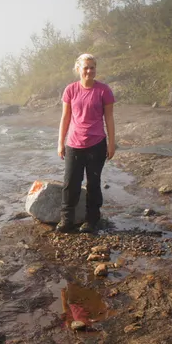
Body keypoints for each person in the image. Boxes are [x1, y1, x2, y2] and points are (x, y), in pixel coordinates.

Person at [57, 53, 116, 233]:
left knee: (93, 183)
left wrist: (111, 144)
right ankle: (67, 219)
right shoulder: (70, 90)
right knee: (70, 183)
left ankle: (91, 220)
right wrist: (60, 143)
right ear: (78, 69)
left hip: (96, 144)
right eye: (85, 67)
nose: (89, 71)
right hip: (74, 144)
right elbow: (65, 117)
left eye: (92, 67)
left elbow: (109, 118)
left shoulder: (104, 90)